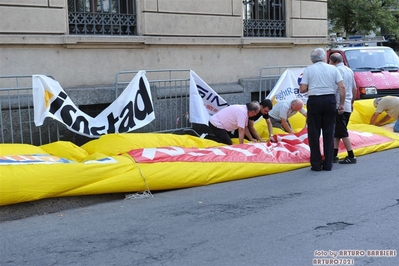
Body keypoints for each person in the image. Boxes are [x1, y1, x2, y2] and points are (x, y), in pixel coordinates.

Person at [299, 48, 346, 171]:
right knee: (329, 132)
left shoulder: (309, 69)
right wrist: (341, 104)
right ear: (324, 57)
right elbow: (342, 87)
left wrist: (312, 87)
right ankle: (328, 163)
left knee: (313, 132)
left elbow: (302, 88)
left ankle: (316, 163)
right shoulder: (333, 69)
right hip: (330, 100)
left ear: (312, 59)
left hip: (314, 101)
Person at [329, 53, 357, 164]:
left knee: (342, 132)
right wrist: (351, 102)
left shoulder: (336, 71)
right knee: (338, 132)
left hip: (339, 105)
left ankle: (351, 155)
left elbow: (339, 88)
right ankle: (334, 155)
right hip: (347, 104)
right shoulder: (349, 70)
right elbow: (354, 88)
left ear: (332, 61)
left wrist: (340, 104)